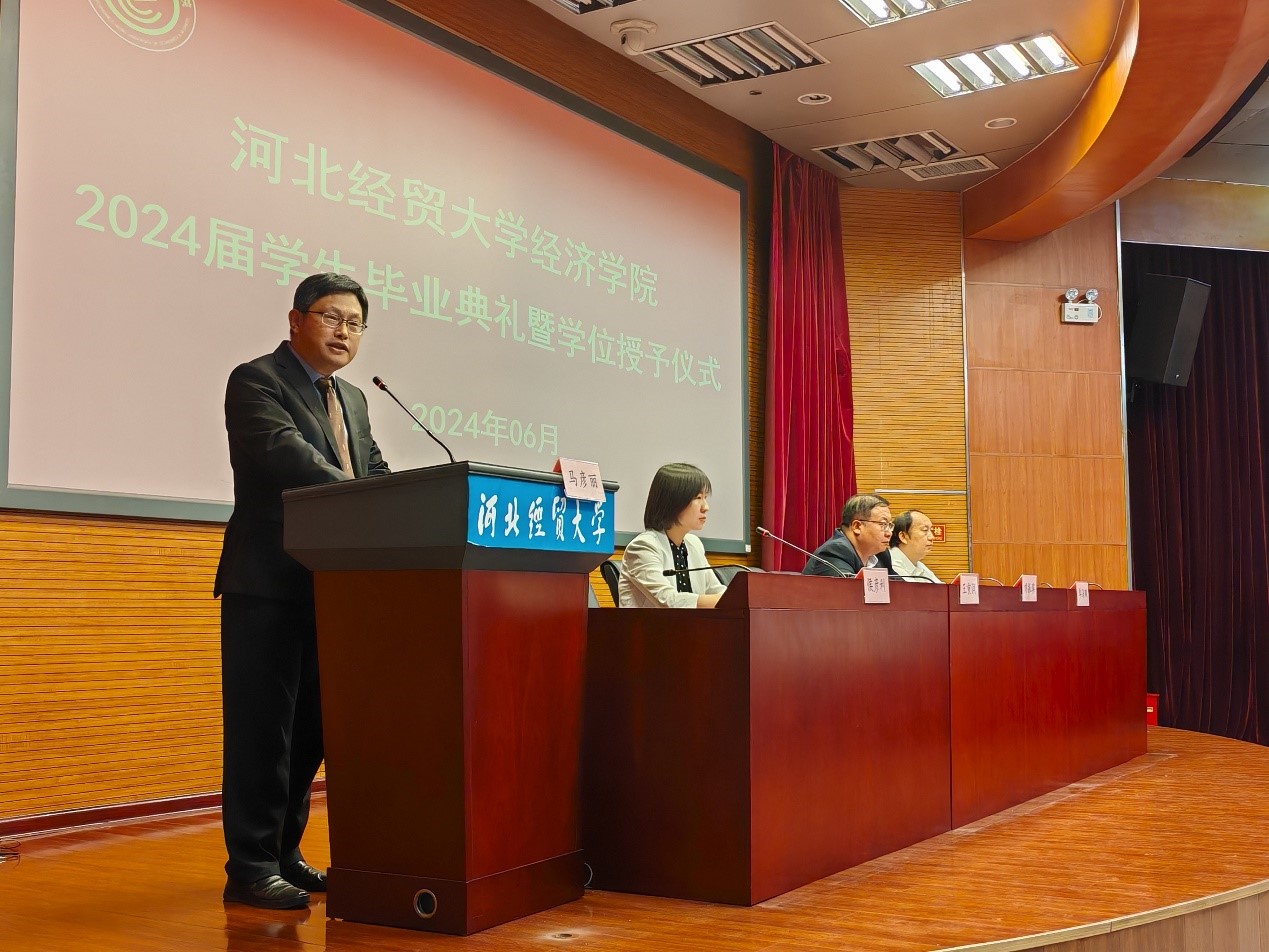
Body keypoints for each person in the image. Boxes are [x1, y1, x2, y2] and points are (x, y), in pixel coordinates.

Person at [214, 273, 391, 910]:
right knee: (263, 729)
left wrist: (403, 498)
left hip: (331, 588)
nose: (344, 332)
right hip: (267, 582)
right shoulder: (256, 381)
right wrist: (365, 497)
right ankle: (251, 865)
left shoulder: (354, 399)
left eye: (355, 323)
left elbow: (372, 469)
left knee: (311, 730)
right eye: (331, 317)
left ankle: (285, 852)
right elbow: (289, 459)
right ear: (296, 320)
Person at [619, 462, 727, 608]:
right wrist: (727, 601)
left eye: (705, 497)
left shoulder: (694, 544)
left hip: (693, 623)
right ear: (674, 501)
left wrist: (736, 598)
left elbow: (716, 590)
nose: (705, 507)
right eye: (698, 497)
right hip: (653, 624)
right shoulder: (643, 547)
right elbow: (669, 601)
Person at [802, 494, 893, 577]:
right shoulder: (836, 552)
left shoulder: (881, 555)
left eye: (890, 525)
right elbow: (849, 588)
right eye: (883, 524)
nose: (889, 533)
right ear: (857, 526)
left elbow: (898, 585)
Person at [888, 510, 941, 583]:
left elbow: (940, 587)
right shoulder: (890, 564)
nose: (932, 537)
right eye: (925, 530)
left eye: (931, 530)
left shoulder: (918, 564)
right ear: (903, 536)